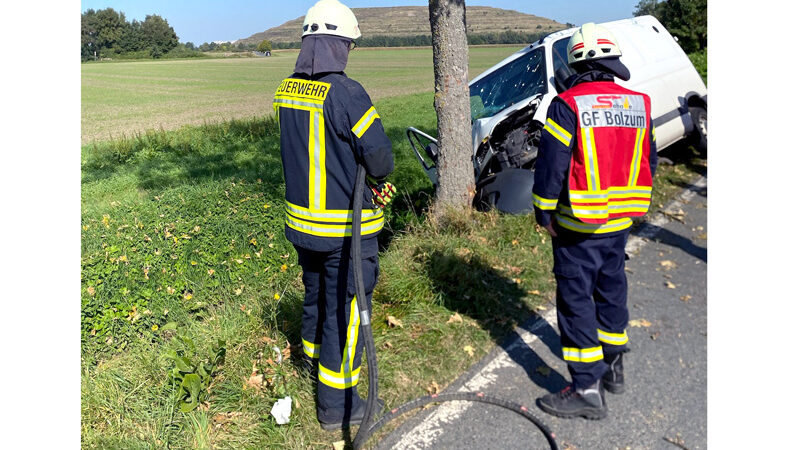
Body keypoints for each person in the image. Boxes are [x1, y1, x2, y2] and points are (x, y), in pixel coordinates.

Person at [272, 0, 396, 430]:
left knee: (316, 297)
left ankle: (311, 366)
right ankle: (337, 406)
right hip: (344, 231)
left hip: (302, 227)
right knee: (344, 316)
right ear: (339, 45)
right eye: (349, 44)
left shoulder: (287, 89)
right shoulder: (346, 92)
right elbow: (379, 160)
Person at [532, 23, 658, 420]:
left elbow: (552, 166)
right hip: (619, 222)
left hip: (578, 227)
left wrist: (543, 211)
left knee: (576, 303)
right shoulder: (639, 103)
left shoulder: (567, 105)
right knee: (611, 290)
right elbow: (649, 161)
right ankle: (614, 368)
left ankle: (586, 387)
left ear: (574, 64)